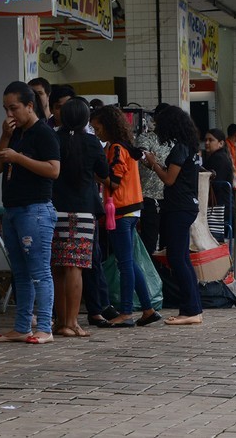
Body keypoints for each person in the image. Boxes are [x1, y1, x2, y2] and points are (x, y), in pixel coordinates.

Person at [0, 81, 60, 345]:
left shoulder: (43, 133)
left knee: (39, 271)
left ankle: (44, 326)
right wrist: (5, 138)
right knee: (19, 272)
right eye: (6, 109)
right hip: (13, 210)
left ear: (30, 106)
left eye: (14, 108)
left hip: (36, 210)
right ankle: (21, 327)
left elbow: (54, 170)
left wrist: (19, 158)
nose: (10, 115)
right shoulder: (15, 133)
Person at [90, 105, 161, 327]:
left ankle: (127, 312)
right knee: (130, 262)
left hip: (121, 210)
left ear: (108, 125)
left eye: (97, 127)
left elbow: (114, 181)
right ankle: (148, 310)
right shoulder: (127, 147)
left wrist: (95, 175)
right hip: (131, 209)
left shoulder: (117, 149)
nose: (96, 132)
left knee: (125, 264)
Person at [51, 98, 108, 338]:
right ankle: (73, 323)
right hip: (83, 210)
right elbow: (104, 173)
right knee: (76, 266)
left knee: (58, 267)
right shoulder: (92, 142)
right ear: (86, 119)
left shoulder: (54, 139)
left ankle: (60, 321)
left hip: (54, 208)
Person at [143, 106, 204, 325]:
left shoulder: (180, 148)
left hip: (179, 206)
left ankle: (190, 311)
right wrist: (155, 165)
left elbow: (169, 179)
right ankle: (193, 307)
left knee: (177, 258)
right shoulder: (190, 148)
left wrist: (153, 163)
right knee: (182, 258)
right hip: (186, 205)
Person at [135, 103, 172, 256]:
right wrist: (157, 165)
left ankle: (164, 275)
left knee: (168, 241)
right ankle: (150, 276)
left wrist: (155, 162)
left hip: (170, 197)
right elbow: (143, 158)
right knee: (149, 241)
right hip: (149, 196)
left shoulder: (173, 141)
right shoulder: (145, 138)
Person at [202, 128, 235, 209]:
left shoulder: (218, 158)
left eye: (211, 140)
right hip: (223, 204)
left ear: (221, 143)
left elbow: (216, 183)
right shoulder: (220, 156)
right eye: (205, 140)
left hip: (219, 206)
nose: (207, 143)